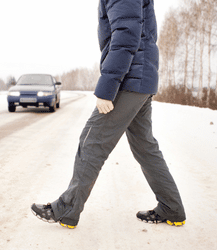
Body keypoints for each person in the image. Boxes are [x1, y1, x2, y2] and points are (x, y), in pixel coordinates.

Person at [31, 0, 186, 229]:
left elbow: (126, 36)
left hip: (128, 80)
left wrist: (108, 87)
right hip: (140, 78)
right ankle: (172, 208)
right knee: (145, 147)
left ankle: (67, 208)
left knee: (92, 140)